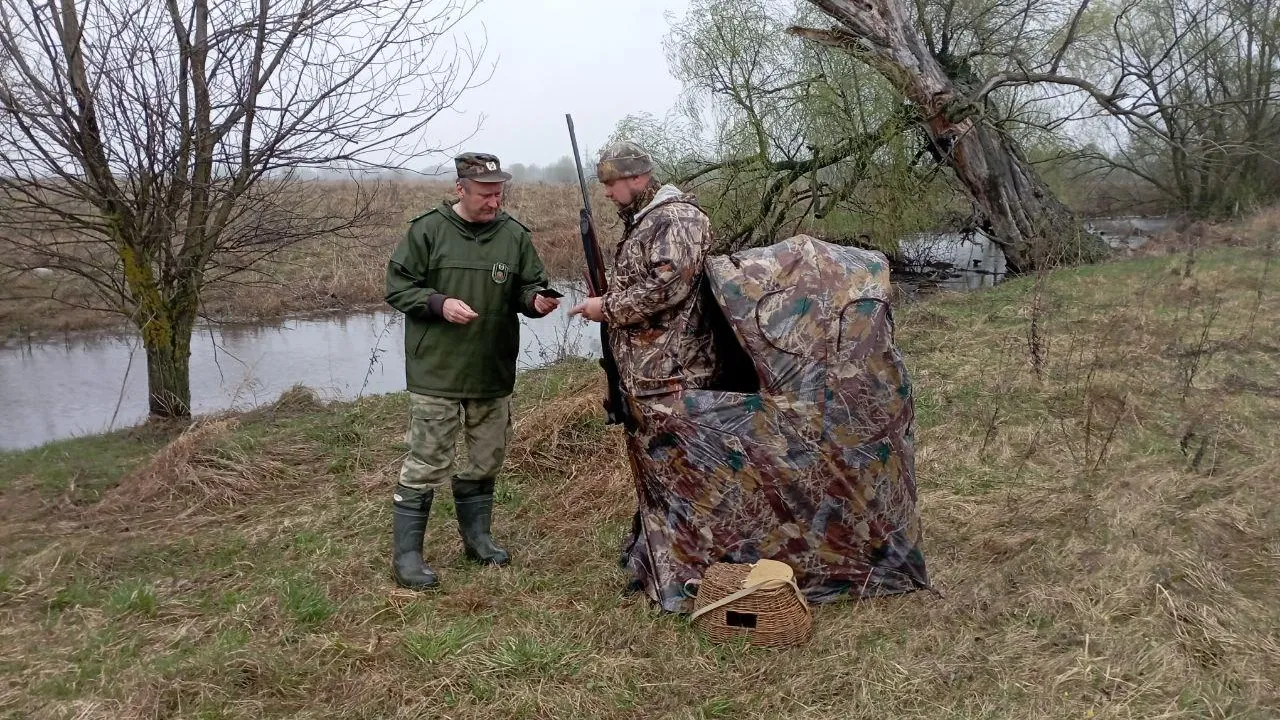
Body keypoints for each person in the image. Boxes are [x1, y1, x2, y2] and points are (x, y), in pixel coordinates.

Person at [385, 152, 560, 591]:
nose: (494, 202)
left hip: (491, 369)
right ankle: (408, 558)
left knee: (486, 461)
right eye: (485, 194)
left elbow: (528, 287)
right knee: (426, 463)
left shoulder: (514, 236)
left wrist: (537, 302)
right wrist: (438, 303)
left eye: (499, 193)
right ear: (460, 189)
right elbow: (398, 288)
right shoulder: (426, 230)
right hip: (437, 372)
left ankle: (477, 540)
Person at [567, 141, 719, 599]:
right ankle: (652, 553)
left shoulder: (677, 218)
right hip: (650, 372)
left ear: (637, 178)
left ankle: (688, 571)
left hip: (676, 373)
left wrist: (605, 307)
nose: (609, 194)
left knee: (679, 469)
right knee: (654, 465)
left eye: (612, 184)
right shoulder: (648, 220)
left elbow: (667, 287)